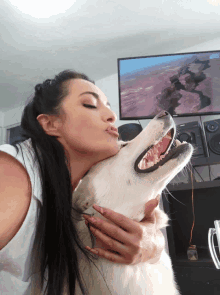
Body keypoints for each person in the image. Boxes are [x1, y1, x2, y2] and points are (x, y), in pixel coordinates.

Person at [0, 70, 164, 295]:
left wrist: (153, 245)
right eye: (90, 104)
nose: (111, 116)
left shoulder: (80, 191)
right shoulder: (10, 174)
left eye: (108, 105)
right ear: (50, 124)